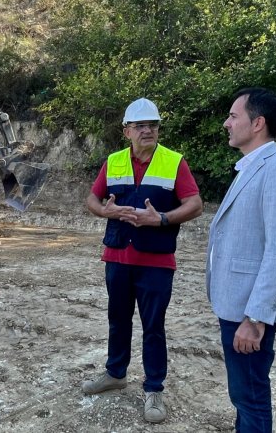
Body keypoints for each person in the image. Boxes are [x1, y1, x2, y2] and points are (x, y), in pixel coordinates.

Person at [81, 97, 203, 424]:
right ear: (127, 131)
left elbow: (194, 204)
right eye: (140, 125)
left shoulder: (174, 162)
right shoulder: (114, 161)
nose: (147, 130)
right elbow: (92, 198)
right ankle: (115, 373)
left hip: (156, 261)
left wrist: (161, 219)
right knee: (118, 319)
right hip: (118, 257)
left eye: (153, 125)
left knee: (153, 326)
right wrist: (104, 210)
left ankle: (154, 388)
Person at [207, 87, 276, 432]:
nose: (227, 123)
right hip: (237, 303)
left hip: (249, 310)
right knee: (243, 394)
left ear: (257, 123)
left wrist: (256, 317)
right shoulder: (252, 167)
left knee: (250, 396)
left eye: (233, 116)